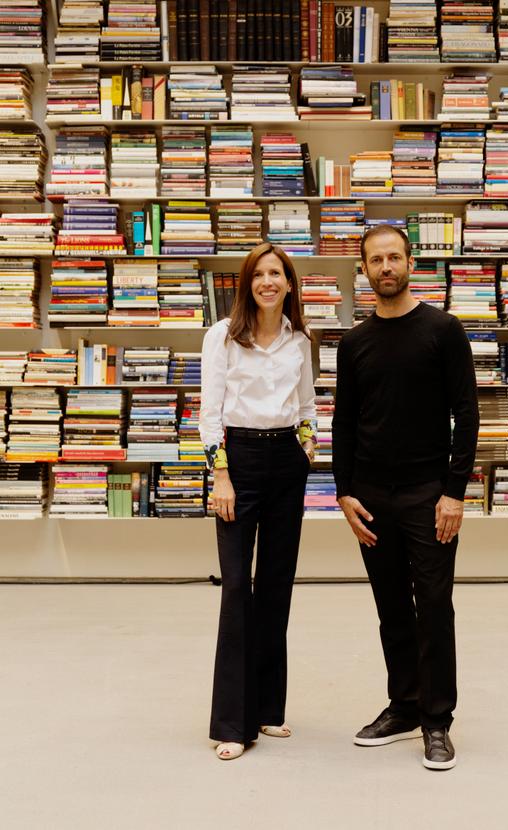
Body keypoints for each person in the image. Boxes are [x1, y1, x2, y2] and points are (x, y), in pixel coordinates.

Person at [332, 224, 479, 771]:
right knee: (391, 608)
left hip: (427, 494)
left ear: (411, 262)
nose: (386, 267)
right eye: (376, 260)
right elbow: (344, 421)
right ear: (365, 270)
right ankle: (404, 707)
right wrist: (343, 492)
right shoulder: (355, 343)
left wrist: (454, 493)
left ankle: (437, 722)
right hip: (370, 496)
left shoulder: (443, 330)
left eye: (394, 257)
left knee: (434, 608)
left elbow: (467, 414)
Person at [199, 242, 317, 761]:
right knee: (235, 591)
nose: (268, 281)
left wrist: (308, 448)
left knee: (276, 586)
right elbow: (209, 414)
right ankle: (231, 722)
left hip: (287, 464)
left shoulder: (300, 341)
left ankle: (268, 709)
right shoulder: (222, 337)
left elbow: (309, 404)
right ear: (247, 284)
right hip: (238, 464)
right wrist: (220, 476)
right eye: (259, 274)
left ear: (289, 284)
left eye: (277, 273)